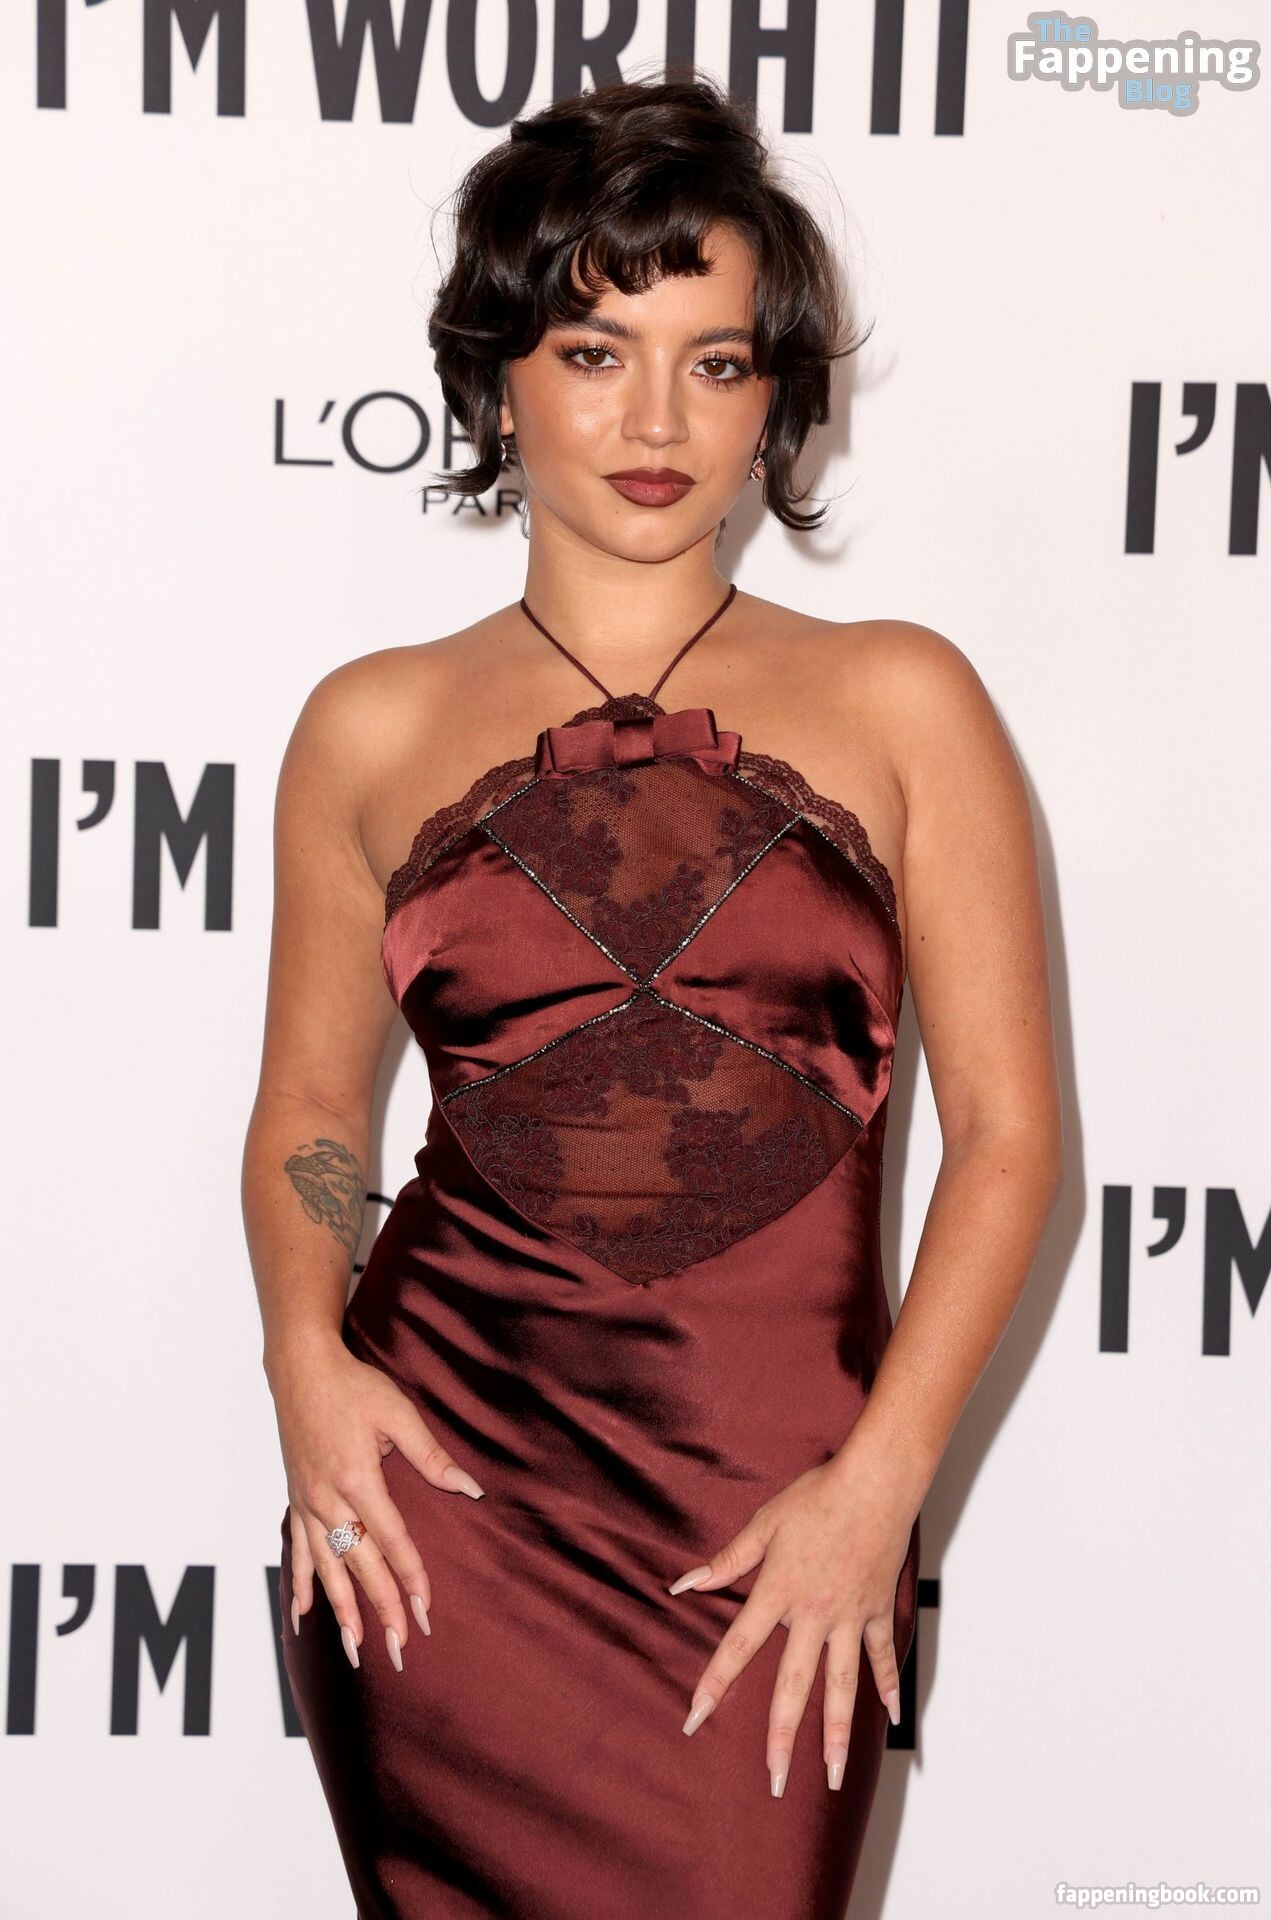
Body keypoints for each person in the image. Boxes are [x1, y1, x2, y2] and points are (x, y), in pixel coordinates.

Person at [242, 69, 1062, 1920]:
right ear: (497, 374)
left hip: (786, 1514)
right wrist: (305, 1361)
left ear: (776, 396)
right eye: (597, 351)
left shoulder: (905, 697)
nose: (657, 420)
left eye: (717, 362)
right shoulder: (367, 723)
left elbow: (1012, 1142)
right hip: (441, 1511)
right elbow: (310, 1113)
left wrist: (880, 1488)